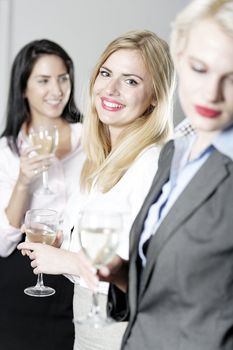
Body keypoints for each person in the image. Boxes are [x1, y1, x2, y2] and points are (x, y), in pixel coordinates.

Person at [88, 0, 233, 349]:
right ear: (180, 59)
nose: (211, 93)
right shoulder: (176, 152)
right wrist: (123, 274)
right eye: (199, 69)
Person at [18, 30, 176, 350]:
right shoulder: (100, 161)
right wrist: (65, 239)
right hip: (88, 325)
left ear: (157, 94)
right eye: (106, 73)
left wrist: (65, 260)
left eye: (130, 81)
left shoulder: (154, 164)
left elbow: (144, 273)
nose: (110, 88)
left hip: (118, 329)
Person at [0, 39, 85, 350]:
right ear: (23, 88)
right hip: (22, 281)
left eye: (63, 78)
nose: (57, 90)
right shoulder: (6, 151)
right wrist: (24, 182)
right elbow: (3, 241)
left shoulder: (92, 139)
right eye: (44, 80)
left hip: (78, 274)